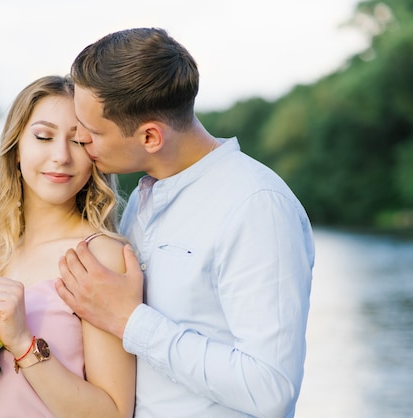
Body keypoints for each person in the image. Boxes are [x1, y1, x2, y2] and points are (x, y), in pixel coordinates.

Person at [56, 28, 315, 418]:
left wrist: (130, 320)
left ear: (150, 136)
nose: (79, 139)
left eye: (92, 131)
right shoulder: (145, 198)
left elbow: (270, 389)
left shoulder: (257, 207)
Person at [0, 75, 135, 418]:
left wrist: (24, 343)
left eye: (79, 141)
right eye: (44, 136)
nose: (61, 156)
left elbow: (113, 412)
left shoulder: (99, 257)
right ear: (16, 148)